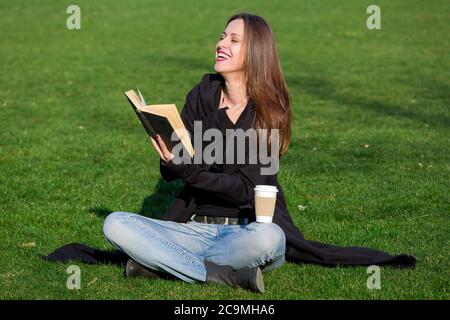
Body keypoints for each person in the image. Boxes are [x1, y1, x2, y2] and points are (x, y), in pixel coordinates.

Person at [102, 13, 415, 294]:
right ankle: (221, 275)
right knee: (115, 223)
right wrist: (168, 157)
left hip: (245, 232)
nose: (221, 43)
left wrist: (187, 168)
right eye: (222, 36)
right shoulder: (202, 93)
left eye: (234, 40)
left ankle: (161, 264)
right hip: (193, 228)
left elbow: (244, 191)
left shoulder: (269, 112)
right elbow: (174, 171)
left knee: (271, 240)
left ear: (255, 53)